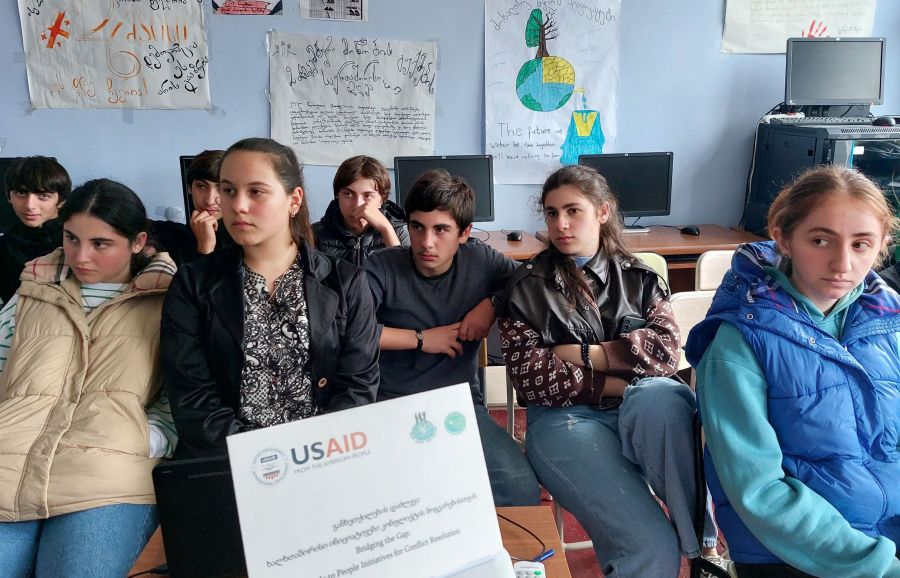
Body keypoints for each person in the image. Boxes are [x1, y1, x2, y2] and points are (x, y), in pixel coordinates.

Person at [498, 165, 723, 577]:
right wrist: (623, 378)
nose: (560, 224)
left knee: (664, 396)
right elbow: (533, 378)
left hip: (642, 409)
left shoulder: (640, 278)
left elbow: (665, 355)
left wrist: (583, 354)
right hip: (565, 421)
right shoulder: (526, 288)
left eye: (573, 211)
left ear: (602, 212)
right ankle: (689, 551)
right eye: (551, 213)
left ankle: (701, 552)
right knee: (650, 545)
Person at [686, 165, 900, 578]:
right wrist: (878, 564)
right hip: (795, 553)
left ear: (881, 246)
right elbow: (760, 491)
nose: (842, 263)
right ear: (783, 239)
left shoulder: (888, 325)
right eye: (820, 240)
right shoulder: (740, 342)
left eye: (861, 244)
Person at [0, 179, 178, 577]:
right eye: (71, 239)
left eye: (101, 244)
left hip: (107, 472)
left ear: (137, 242)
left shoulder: (169, 300)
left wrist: (146, 438)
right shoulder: (33, 289)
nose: (81, 256)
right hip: (10, 460)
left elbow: (181, 393)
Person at [161, 138, 379, 458]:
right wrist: (262, 461)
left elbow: (357, 389)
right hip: (230, 462)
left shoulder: (346, 282)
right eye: (229, 190)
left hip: (324, 458)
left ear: (294, 200)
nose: (238, 205)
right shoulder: (193, 284)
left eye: (256, 192)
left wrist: (309, 457)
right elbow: (194, 400)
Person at [364, 169, 540, 507]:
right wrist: (421, 339)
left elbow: (531, 279)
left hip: (458, 405)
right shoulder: (381, 267)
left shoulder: (481, 260)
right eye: (417, 227)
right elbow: (352, 334)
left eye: (441, 229)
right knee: (388, 496)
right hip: (388, 405)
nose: (426, 242)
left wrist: (491, 304)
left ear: (465, 232)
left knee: (518, 487)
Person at [312, 155, 408, 266]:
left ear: (382, 199)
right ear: (337, 196)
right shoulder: (313, 235)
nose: (357, 205)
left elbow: (404, 275)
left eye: (368, 196)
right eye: (348, 194)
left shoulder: (402, 232)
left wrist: (386, 229)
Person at [0, 156, 71, 304]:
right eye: (21, 193)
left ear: (61, 200)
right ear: (8, 196)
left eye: (43, 195)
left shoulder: (75, 242)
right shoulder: (4, 246)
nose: (30, 205)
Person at [153, 149, 233, 264]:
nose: (210, 201)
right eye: (201, 186)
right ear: (189, 188)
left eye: (222, 188)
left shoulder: (244, 239)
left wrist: (205, 248)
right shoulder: (169, 235)